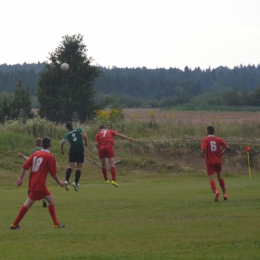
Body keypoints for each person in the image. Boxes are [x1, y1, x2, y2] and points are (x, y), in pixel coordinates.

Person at [11, 137, 65, 230]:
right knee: (27, 204)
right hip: (38, 184)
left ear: (41, 145)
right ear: (50, 145)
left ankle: (56, 224)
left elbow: (24, 166)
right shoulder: (50, 157)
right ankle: (14, 225)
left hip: (35, 182)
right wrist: (59, 182)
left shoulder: (35, 153)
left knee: (51, 200)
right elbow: (53, 173)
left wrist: (20, 178)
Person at [201, 126, 228, 202]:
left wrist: (203, 154)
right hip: (218, 161)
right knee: (220, 176)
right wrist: (221, 154)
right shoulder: (218, 139)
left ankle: (216, 191)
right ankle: (225, 193)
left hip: (210, 161)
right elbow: (226, 146)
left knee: (211, 178)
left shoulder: (205, 139)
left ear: (208, 132)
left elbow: (203, 149)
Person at [18, 138, 48, 208]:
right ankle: (44, 198)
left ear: (35, 144)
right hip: (43, 171)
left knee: (32, 186)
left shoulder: (35, 151)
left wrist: (22, 156)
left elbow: (29, 160)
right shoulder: (46, 151)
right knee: (42, 185)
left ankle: (28, 202)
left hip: (34, 171)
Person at [60, 122, 88, 191]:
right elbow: (85, 136)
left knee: (70, 166)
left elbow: (62, 143)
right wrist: (86, 142)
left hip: (72, 149)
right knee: (79, 167)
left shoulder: (67, 134)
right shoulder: (79, 130)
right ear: (72, 125)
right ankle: (75, 182)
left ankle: (66, 180)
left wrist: (62, 150)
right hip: (79, 148)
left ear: (67, 128)